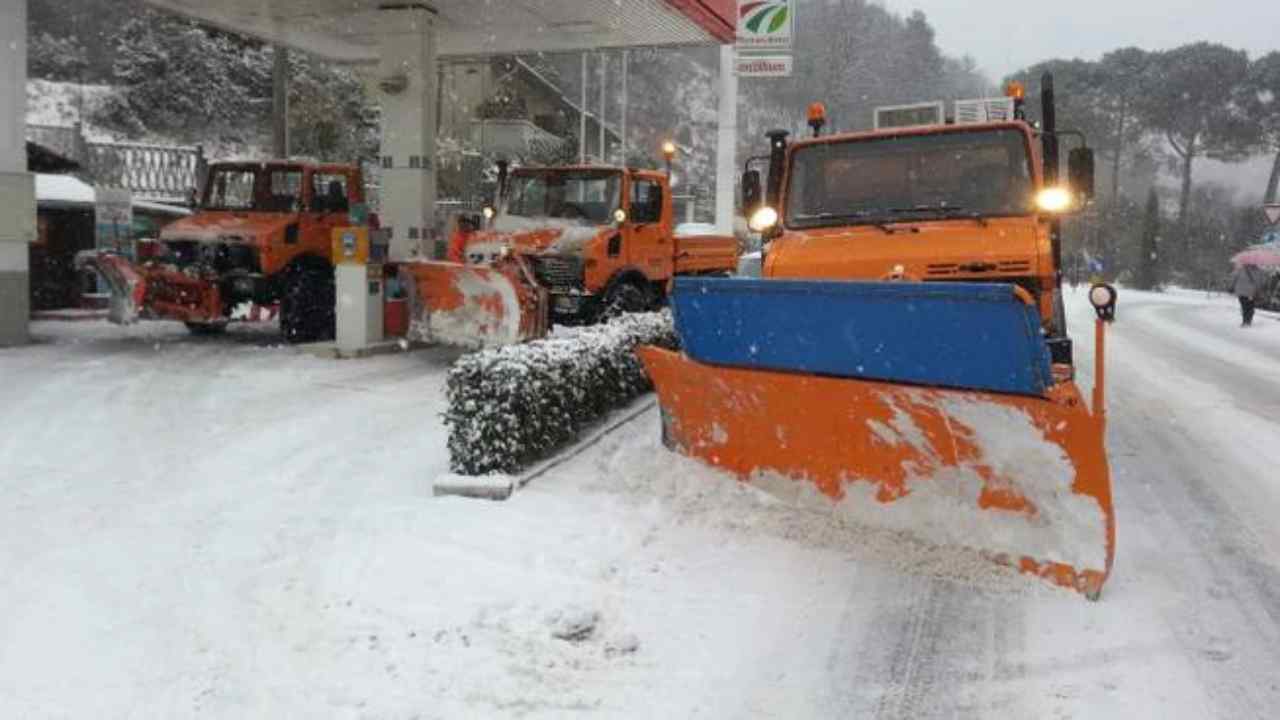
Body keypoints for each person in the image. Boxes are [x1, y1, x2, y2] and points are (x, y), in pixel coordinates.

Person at [1228, 262, 1265, 327]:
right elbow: (1261, 282)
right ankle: (1248, 320)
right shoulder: (1259, 271)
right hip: (1252, 292)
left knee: (1244, 306)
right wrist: (1259, 290)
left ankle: (1245, 321)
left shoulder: (1240, 269)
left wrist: (1231, 287)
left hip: (1241, 292)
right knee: (1250, 306)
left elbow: (1234, 278)